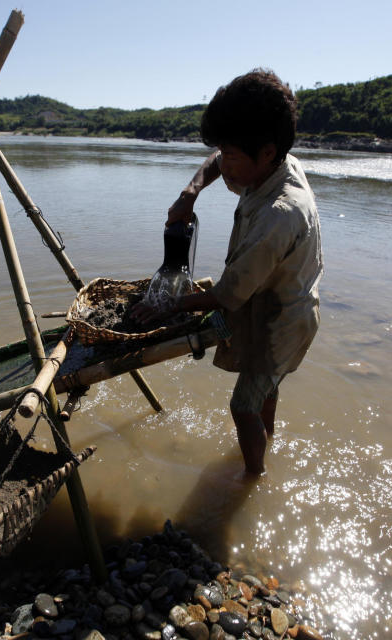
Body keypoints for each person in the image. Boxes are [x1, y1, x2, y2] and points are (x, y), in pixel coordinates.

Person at [132, 69, 323, 475]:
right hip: (265, 297)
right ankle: (268, 441)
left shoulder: (280, 214)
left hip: (283, 319)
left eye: (234, 156)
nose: (227, 165)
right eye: (225, 151)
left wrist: (170, 305)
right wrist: (191, 191)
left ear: (267, 152)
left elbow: (226, 295)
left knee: (243, 405)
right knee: (266, 391)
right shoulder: (274, 163)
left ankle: (254, 480)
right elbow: (217, 162)